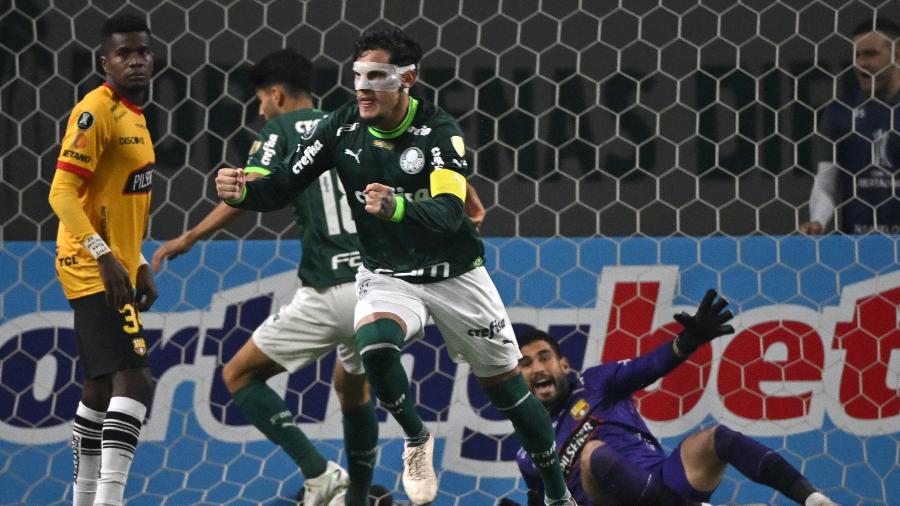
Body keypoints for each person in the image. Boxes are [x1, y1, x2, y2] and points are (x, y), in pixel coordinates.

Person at [215, 27, 575, 506]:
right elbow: (282, 185)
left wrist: (398, 208)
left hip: (455, 275)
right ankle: (415, 437)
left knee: (509, 392)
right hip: (388, 274)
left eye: (377, 75)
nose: (363, 86)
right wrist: (245, 191)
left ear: (408, 79)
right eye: (358, 74)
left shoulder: (439, 131)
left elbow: (451, 213)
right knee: (375, 347)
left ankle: (557, 495)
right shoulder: (340, 127)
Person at [152, 48, 486, 506]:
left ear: (276, 95)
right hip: (377, 283)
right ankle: (359, 498)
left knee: (239, 376)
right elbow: (436, 156)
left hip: (328, 290)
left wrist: (188, 238)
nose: (260, 110)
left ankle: (319, 473)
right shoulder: (357, 121)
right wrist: (467, 200)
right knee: (353, 388)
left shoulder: (283, 129)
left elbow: (249, 190)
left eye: (261, 101)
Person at [514, 290, 838, 506]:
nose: (538, 367)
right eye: (526, 364)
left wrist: (689, 339)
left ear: (564, 364)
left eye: (544, 357)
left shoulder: (596, 383)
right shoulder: (528, 452)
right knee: (593, 454)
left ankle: (814, 500)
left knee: (715, 439)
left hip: (661, 480)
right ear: (518, 380)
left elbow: (649, 366)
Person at [47, 13, 157, 506]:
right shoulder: (95, 110)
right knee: (135, 380)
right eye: (124, 53)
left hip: (114, 264)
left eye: (143, 52)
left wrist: (138, 261)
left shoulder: (134, 115)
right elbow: (61, 193)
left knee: (98, 387)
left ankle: (85, 499)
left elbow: (125, 198)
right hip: (89, 264)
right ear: (105, 61)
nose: (135, 60)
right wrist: (106, 255)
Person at [800, 17, 900, 235]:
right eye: (856, 55)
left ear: (897, 55)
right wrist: (817, 221)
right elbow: (827, 182)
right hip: (856, 249)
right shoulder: (840, 113)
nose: (860, 63)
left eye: (870, 54)